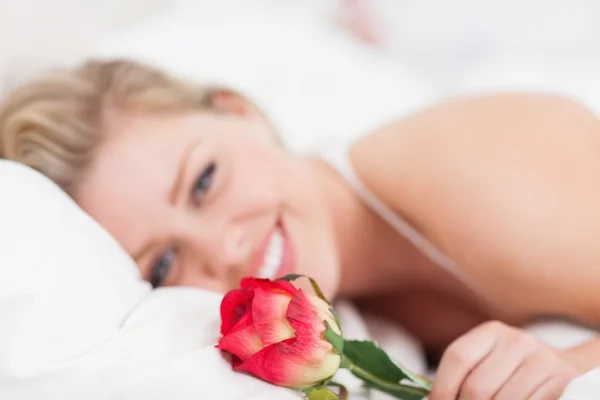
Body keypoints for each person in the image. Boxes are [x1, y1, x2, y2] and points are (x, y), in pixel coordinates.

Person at [1, 58, 599, 400]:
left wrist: (570, 367)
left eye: (204, 181)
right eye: (164, 264)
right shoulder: (361, 312)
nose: (224, 249)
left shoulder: (475, 174)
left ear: (241, 111)